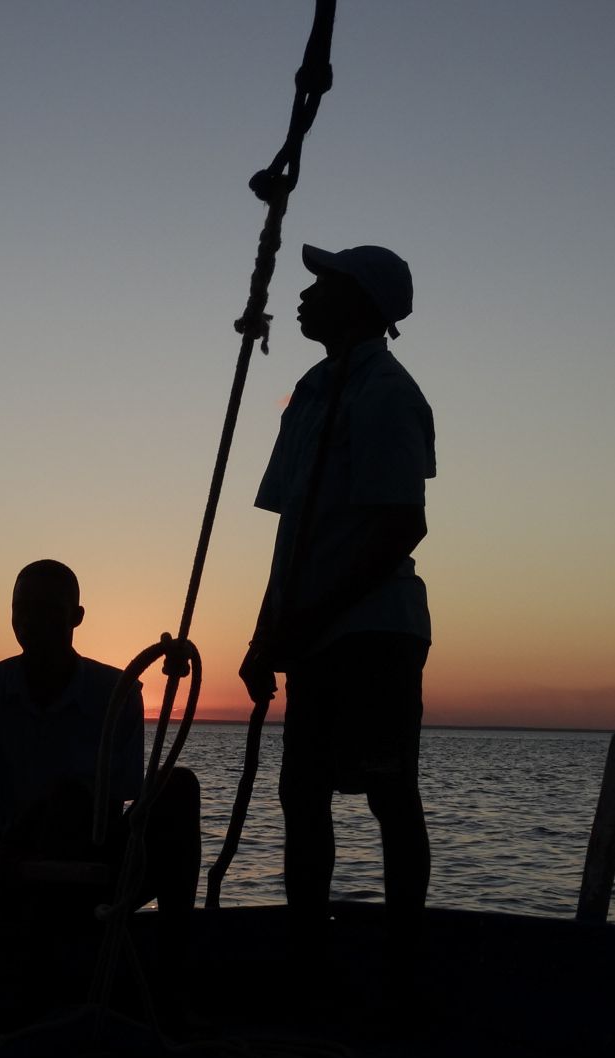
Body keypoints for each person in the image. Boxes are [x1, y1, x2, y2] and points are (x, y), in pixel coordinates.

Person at [238, 244, 435, 966]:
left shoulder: (385, 393)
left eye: (322, 283)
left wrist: (306, 623)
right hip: (319, 630)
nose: (304, 293)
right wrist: (267, 638)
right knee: (302, 794)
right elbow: (295, 533)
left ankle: (402, 964)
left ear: (359, 302)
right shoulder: (313, 390)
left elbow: (399, 524)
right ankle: (305, 959)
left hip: (374, 631)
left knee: (387, 793)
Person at [0, 560, 201, 930]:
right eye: (24, 609)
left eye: (49, 609)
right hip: (10, 874)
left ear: (77, 616)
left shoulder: (120, 694)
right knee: (69, 800)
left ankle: (175, 948)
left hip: (89, 865)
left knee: (178, 786)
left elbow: (111, 816)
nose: (34, 621)